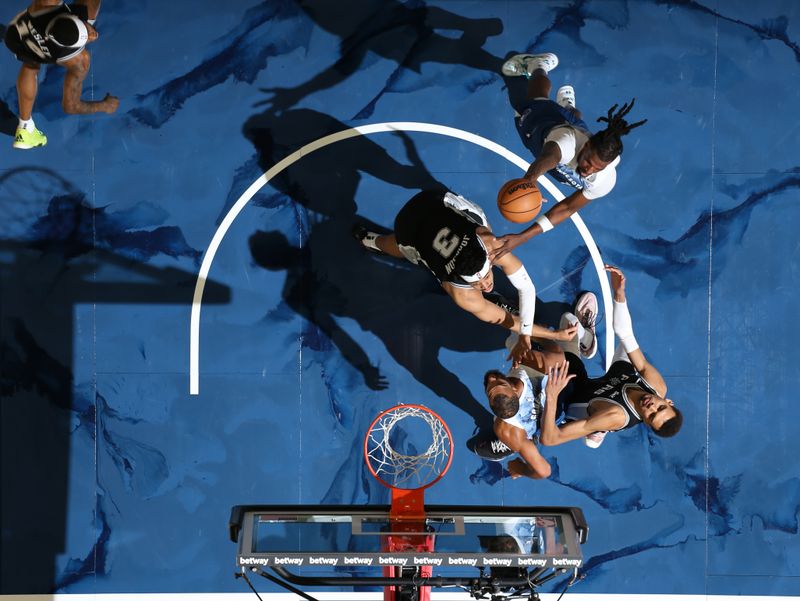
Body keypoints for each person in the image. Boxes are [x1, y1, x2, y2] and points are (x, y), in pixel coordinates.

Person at [471, 265, 682, 476]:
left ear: (645, 421)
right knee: (570, 322)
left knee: (536, 345)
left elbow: (550, 439)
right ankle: (586, 340)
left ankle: (595, 430)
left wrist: (552, 395)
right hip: (594, 384)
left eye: (651, 415)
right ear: (667, 401)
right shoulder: (656, 385)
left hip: (571, 397)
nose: (651, 407)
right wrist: (619, 294)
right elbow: (625, 333)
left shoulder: (614, 414)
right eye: (660, 408)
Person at [353, 189, 577, 361]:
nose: (487, 284)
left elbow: (527, 288)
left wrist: (526, 335)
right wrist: (554, 336)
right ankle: (372, 241)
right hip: (410, 224)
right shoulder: (462, 293)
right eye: (478, 283)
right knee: (398, 248)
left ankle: (375, 240)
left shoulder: (492, 244)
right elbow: (499, 317)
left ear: (489, 258)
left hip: (434, 201)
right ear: (463, 280)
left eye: (486, 275)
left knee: (481, 222)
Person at [492, 52, 646, 259]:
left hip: (573, 131)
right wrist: (530, 180)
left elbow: (567, 208)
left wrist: (524, 237)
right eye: (589, 162)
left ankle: (569, 108)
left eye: (597, 168)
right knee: (527, 99)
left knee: (575, 120)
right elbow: (549, 158)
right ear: (588, 144)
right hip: (544, 124)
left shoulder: (604, 179)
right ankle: (538, 65)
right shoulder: (565, 142)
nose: (588, 170)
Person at [4, 0, 119, 149]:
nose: (94, 33)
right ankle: (24, 128)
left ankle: (25, 127)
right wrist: (104, 106)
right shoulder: (79, 62)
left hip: (15, 37)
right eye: (89, 32)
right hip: (37, 47)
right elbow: (71, 106)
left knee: (30, 65)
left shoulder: (46, 4)